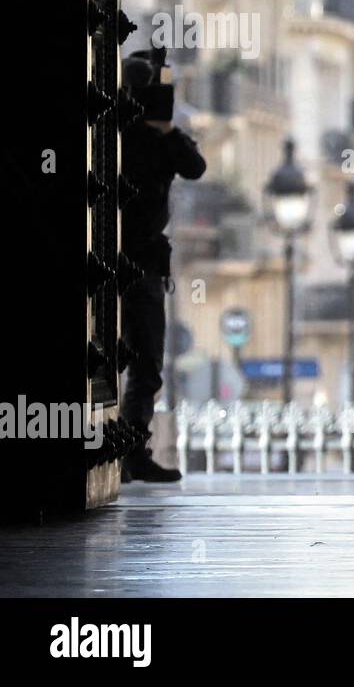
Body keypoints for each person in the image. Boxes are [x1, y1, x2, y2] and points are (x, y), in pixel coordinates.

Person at [119, 48, 207, 483]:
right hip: (127, 261)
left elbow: (195, 167)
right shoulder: (117, 131)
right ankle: (128, 451)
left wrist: (166, 130)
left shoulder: (158, 136)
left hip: (144, 261)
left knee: (146, 361)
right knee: (141, 361)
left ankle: (133, 450)